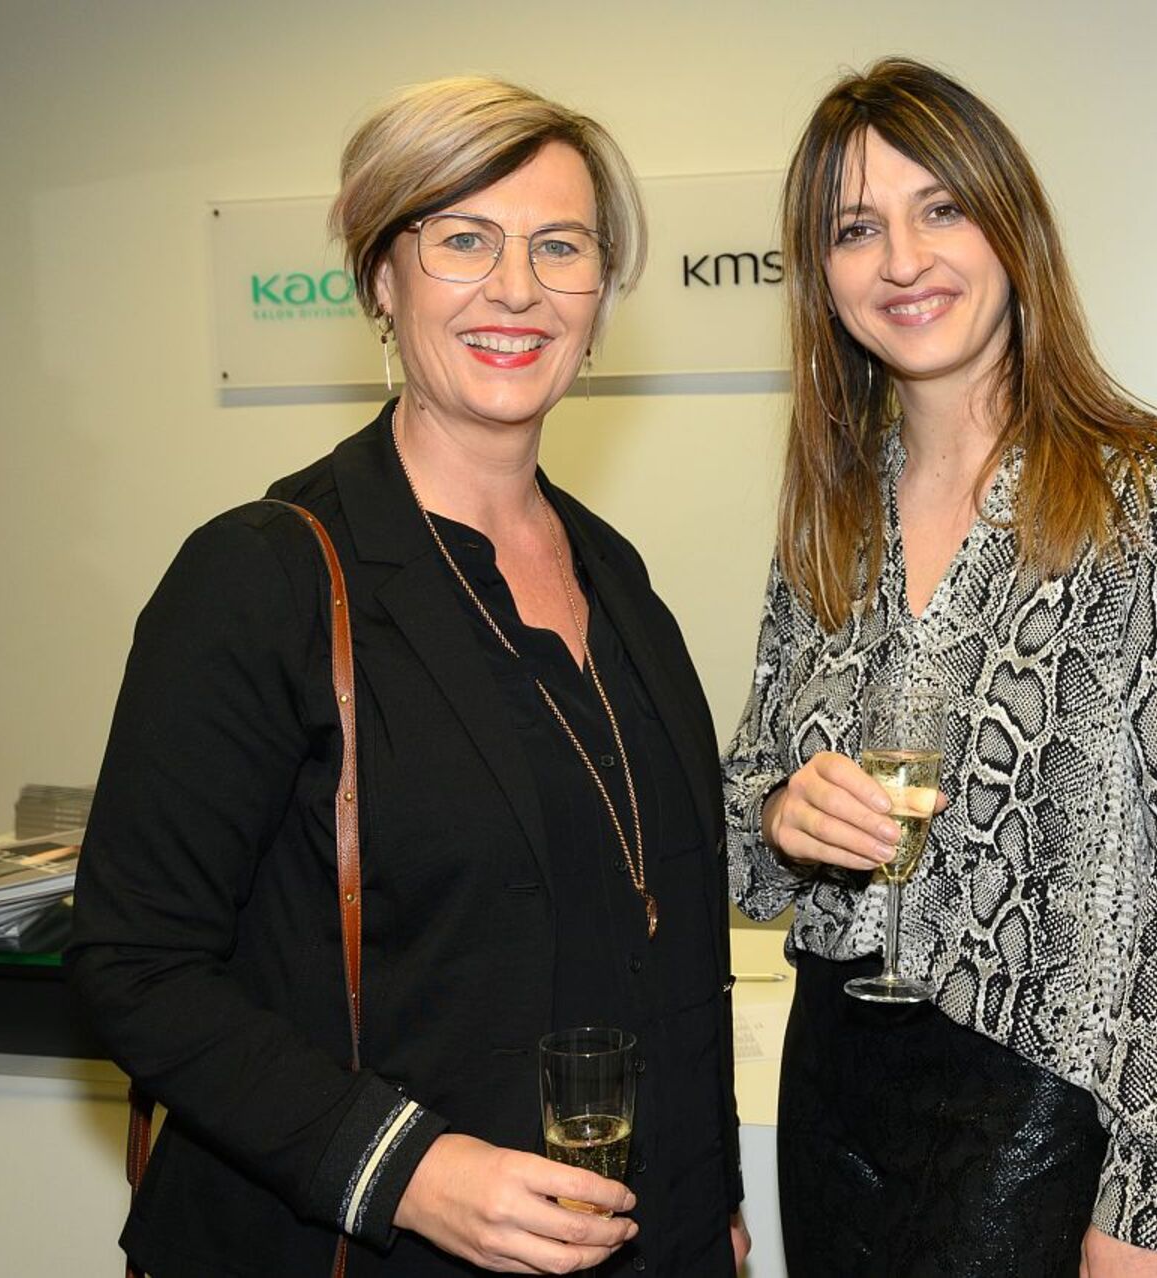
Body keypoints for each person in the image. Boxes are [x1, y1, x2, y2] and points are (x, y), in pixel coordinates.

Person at [68, 76, 747, 1277]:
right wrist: (407, 1170)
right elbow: (134, 969)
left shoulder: (617, 577)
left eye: (560, 247)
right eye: (463, 240)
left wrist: (707, 1202)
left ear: (601, 297)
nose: (517, 287)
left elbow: (669, 931)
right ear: (382, 279)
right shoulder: (265, 577)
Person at [723, 57, 1157, 1277]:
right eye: (856, 229)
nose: (902, 260)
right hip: (835, 1085)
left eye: (941, 209)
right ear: (822, 276)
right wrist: (781, 815)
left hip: (1048, 1108)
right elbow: (741, 834)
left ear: (1011, 228)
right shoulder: (829, 514)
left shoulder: (1156, 496)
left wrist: (1155, 1203)